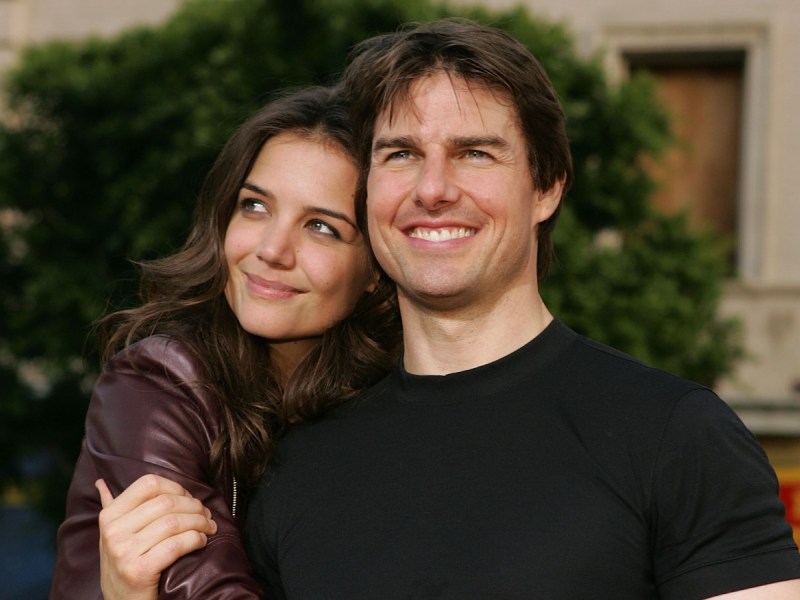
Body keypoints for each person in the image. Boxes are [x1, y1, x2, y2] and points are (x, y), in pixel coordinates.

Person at [92, 18, 800, 600]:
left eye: (474, 154)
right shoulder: (295, 462)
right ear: (370, 194)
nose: (433, 189)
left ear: (547, 186)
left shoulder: (675, 437)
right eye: (400, 154)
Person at [48, 85, 401, 600]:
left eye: (321, 226)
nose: (272, 249)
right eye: (255, 206)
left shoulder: (398, 393)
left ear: (375, 266)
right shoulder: (160, 382)